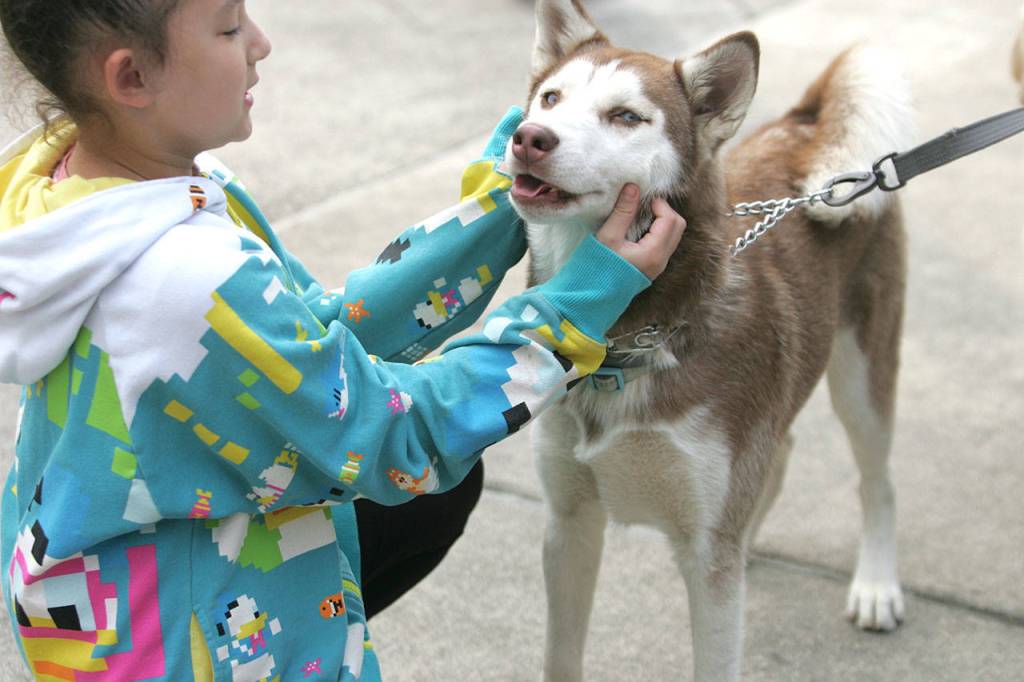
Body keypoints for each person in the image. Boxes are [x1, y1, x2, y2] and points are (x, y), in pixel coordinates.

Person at [0, 1, 686, 679]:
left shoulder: (96, 189)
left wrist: (501, 202)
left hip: (99, 590)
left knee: (433, 501)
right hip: (189, 648)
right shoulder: (184, 279)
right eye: (230, 26)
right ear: (131, 79)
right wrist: (578, 302)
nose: (261, 44)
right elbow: (399, 438)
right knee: (424, 478)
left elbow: (319, 333)